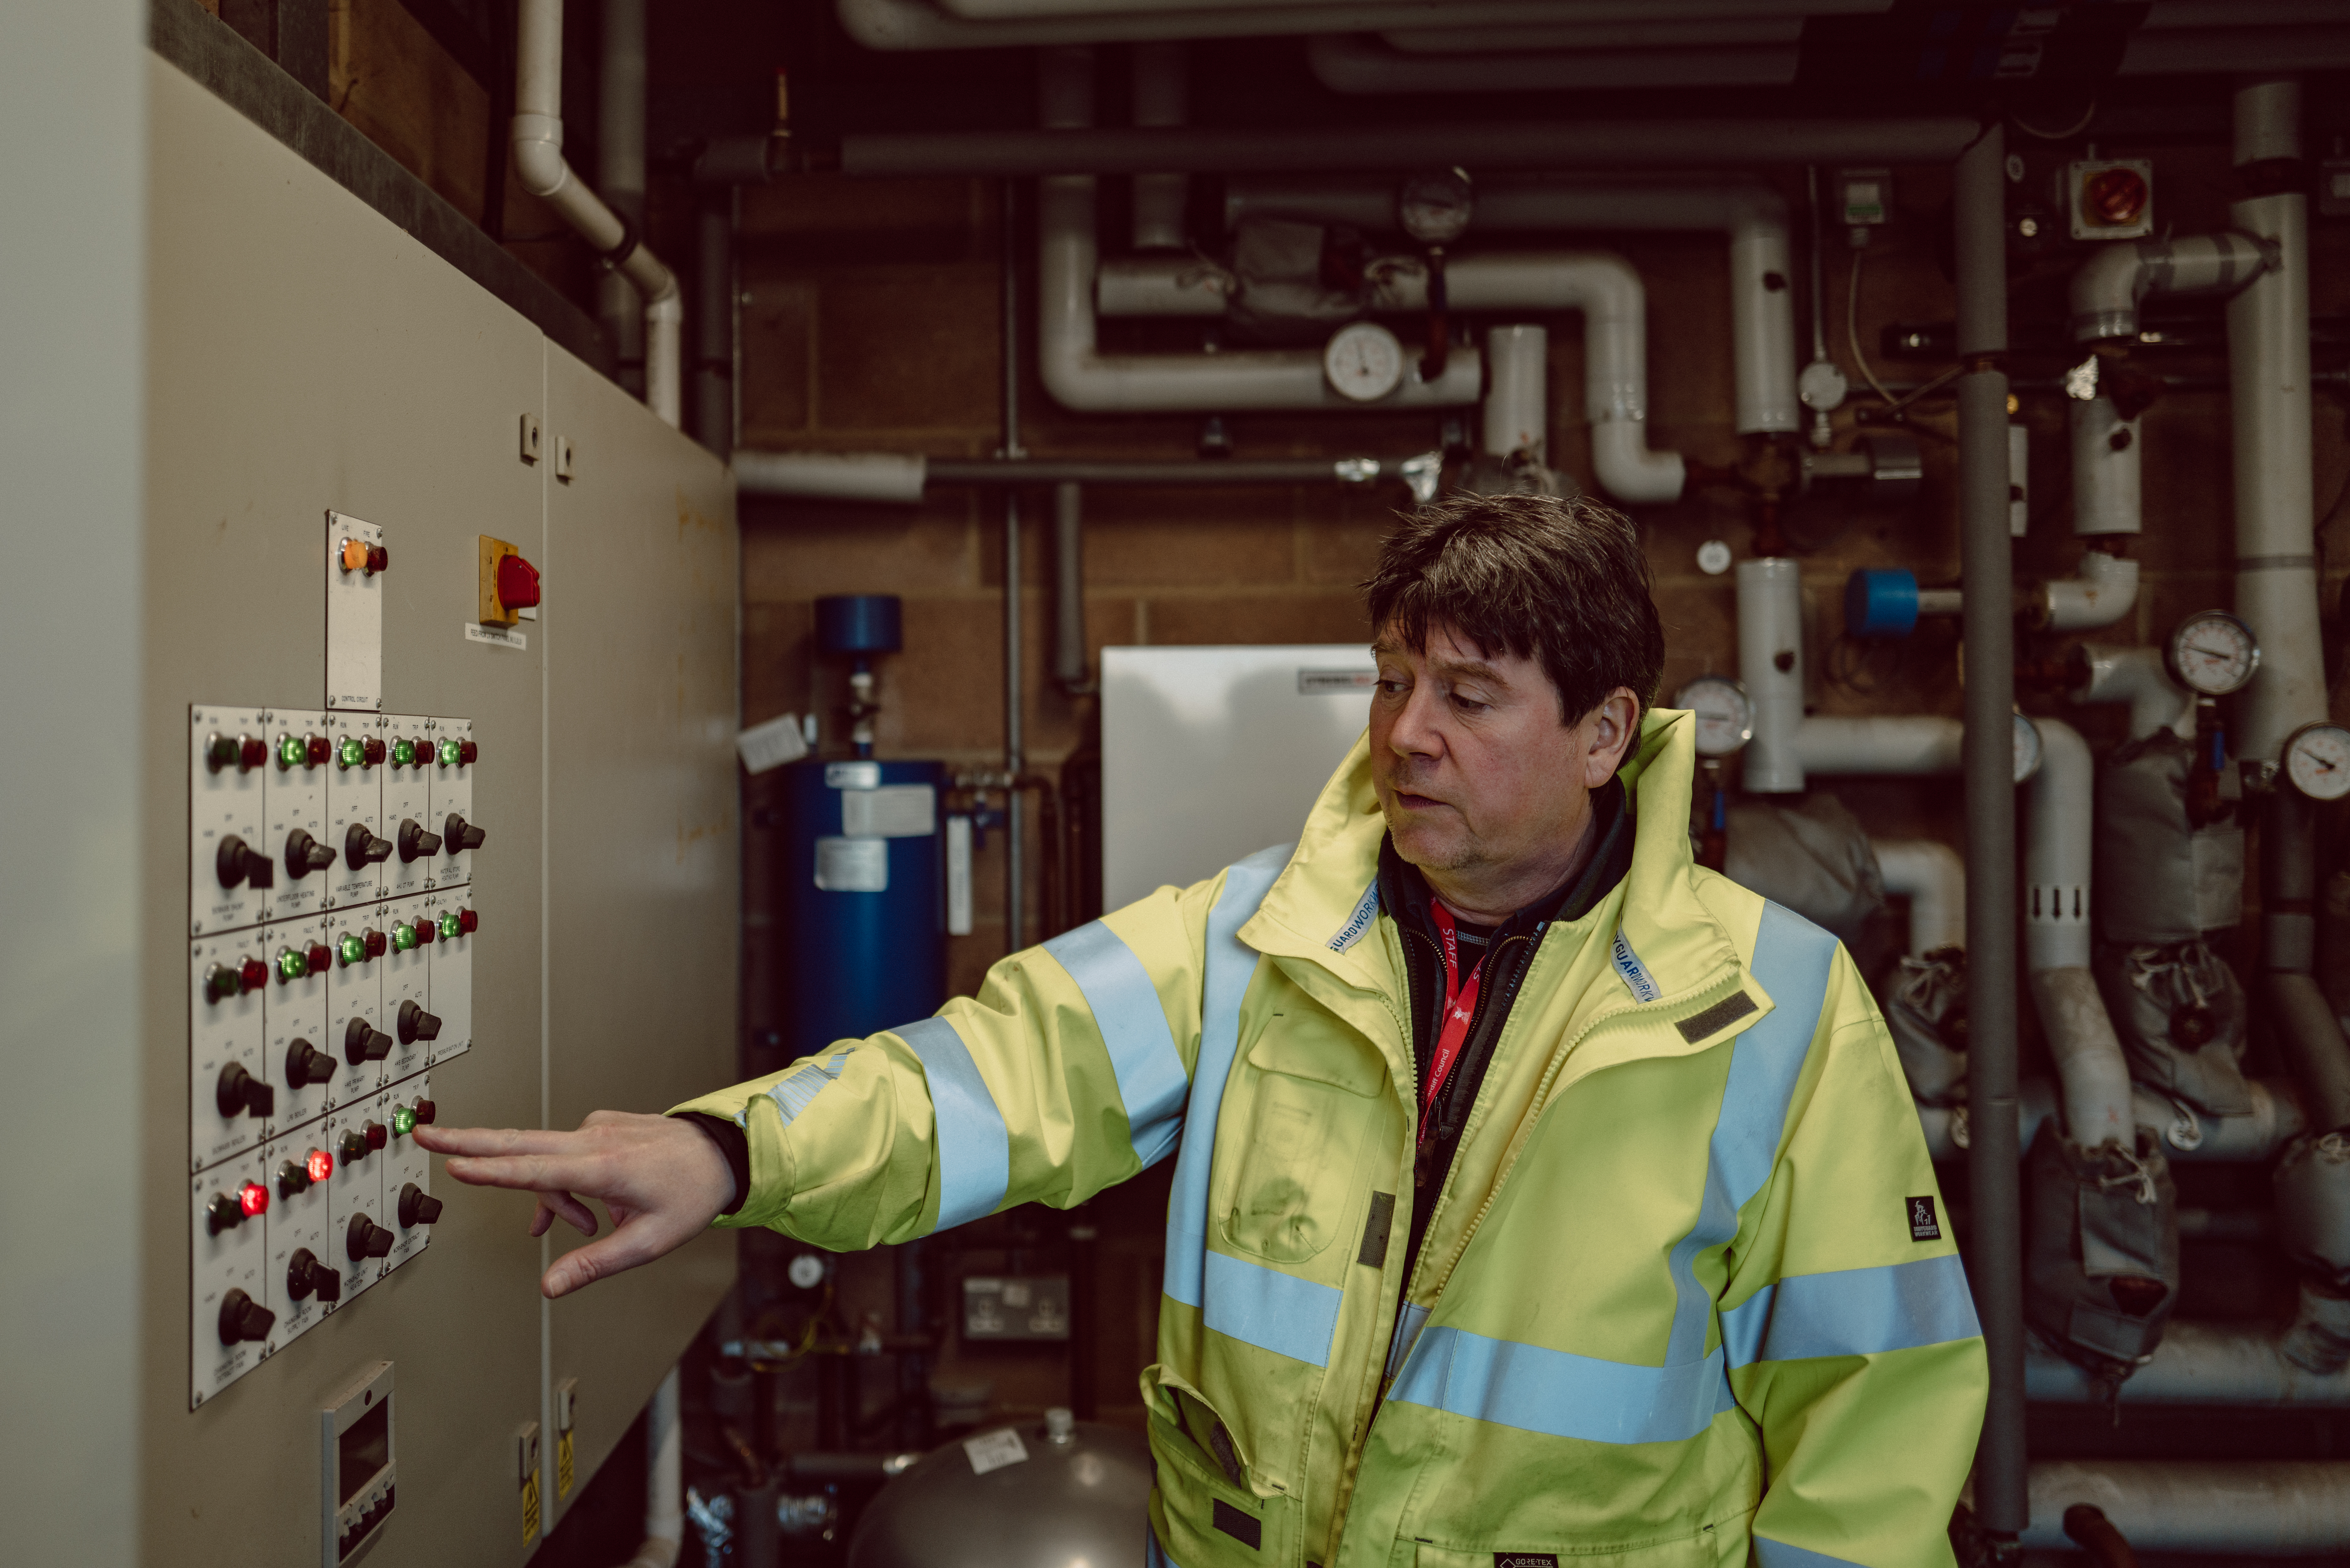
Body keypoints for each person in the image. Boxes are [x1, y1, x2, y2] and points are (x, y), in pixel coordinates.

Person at [420, 493, 1986, 1568]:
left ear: (1602, 732)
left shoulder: (1770, 999)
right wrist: (730, 1143)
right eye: (1389, 681)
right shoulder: (1259, 932)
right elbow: (995, 1074)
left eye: (1466, 692)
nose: (1403, 733)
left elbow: (1875, 1410)